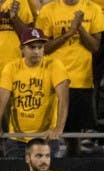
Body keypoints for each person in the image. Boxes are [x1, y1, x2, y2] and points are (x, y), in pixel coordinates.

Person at [35, 0, 104, 137]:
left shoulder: (93, 9)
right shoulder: (48, 10)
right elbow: (42, 48)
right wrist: (68, 34)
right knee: (51, 133)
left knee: (76, 136)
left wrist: (80, 28)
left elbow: (95, 47)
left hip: (81, 80)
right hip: (54, 81)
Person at [0, 28, 69, 158]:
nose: (37, 51)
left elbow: (63, 98)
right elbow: (2, 98)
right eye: (32, 47)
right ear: (22, 49)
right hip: (17, 139)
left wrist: (59, 128)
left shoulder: (54, 65)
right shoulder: (12, 67)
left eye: (40, 47)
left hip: (46, 138)